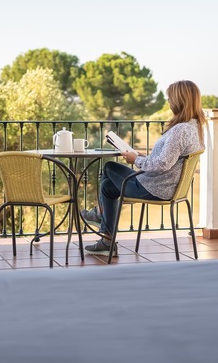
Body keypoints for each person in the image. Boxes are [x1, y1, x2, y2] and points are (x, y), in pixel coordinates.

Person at [83, 80, 206, 256]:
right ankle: (105, 238)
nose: (169, 102)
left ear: (180, 100)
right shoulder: (195, 127)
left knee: (110, 167)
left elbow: (163, 164)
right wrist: (142, 157)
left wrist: (136, 160)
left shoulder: (180, 131)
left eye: (171, 98)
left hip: (155, 188)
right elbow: (168, 160)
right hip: (166, 186)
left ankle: (100, 216)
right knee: (107, 187)